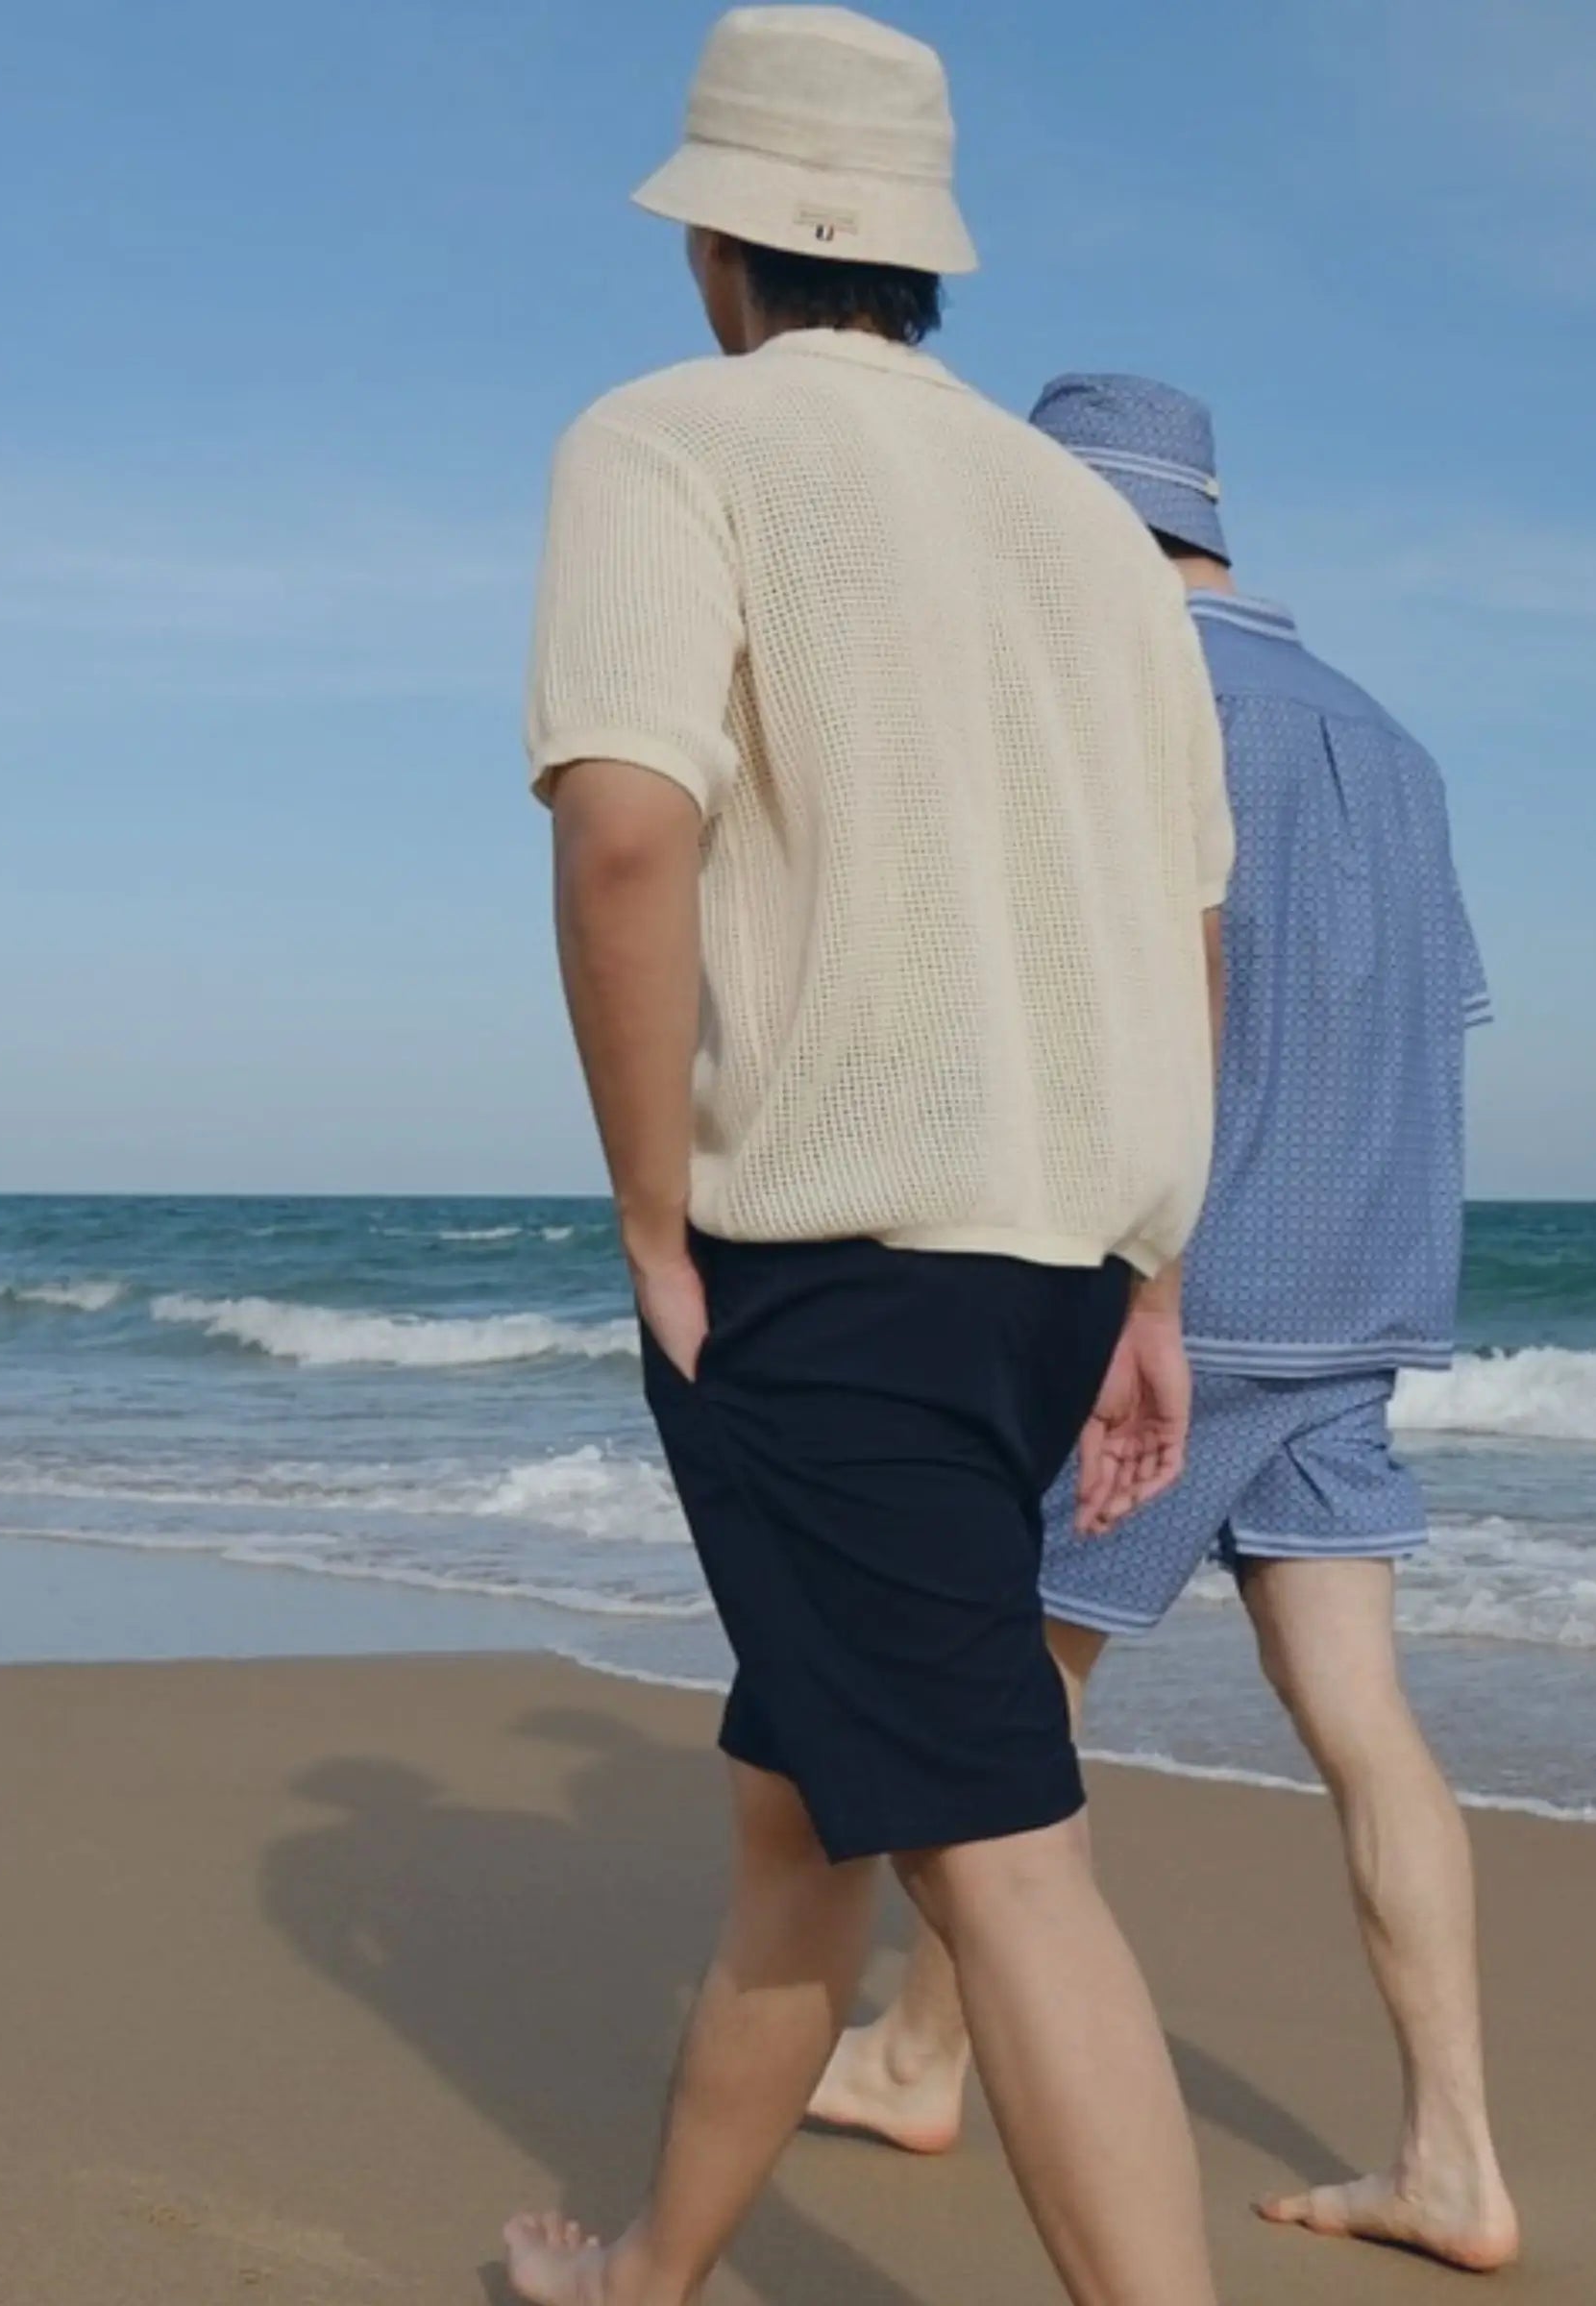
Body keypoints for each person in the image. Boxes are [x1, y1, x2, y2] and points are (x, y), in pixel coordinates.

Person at [509, 12, 1237, 2305]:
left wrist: (649, 1209)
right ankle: (653, 2276)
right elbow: (1185, 929)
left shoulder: (671, 439)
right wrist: (1147, 1277)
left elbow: (629, 831)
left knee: (1005, 1862)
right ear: (920, 258)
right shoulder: (1096, 534)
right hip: (1049, 1261)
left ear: (717, 238)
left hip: (832, 1246)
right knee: (803, 1814)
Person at [810, 373, 1522, 2275]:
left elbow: (1076, 1018)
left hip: (1175, 1298)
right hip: (1363, 1294)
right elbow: (1426, 1032)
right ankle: (1452, 2153)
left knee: (994, 1711)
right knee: (1365, 1725)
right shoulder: (1396, 741)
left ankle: (919, 2053)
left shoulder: (1127, 704)